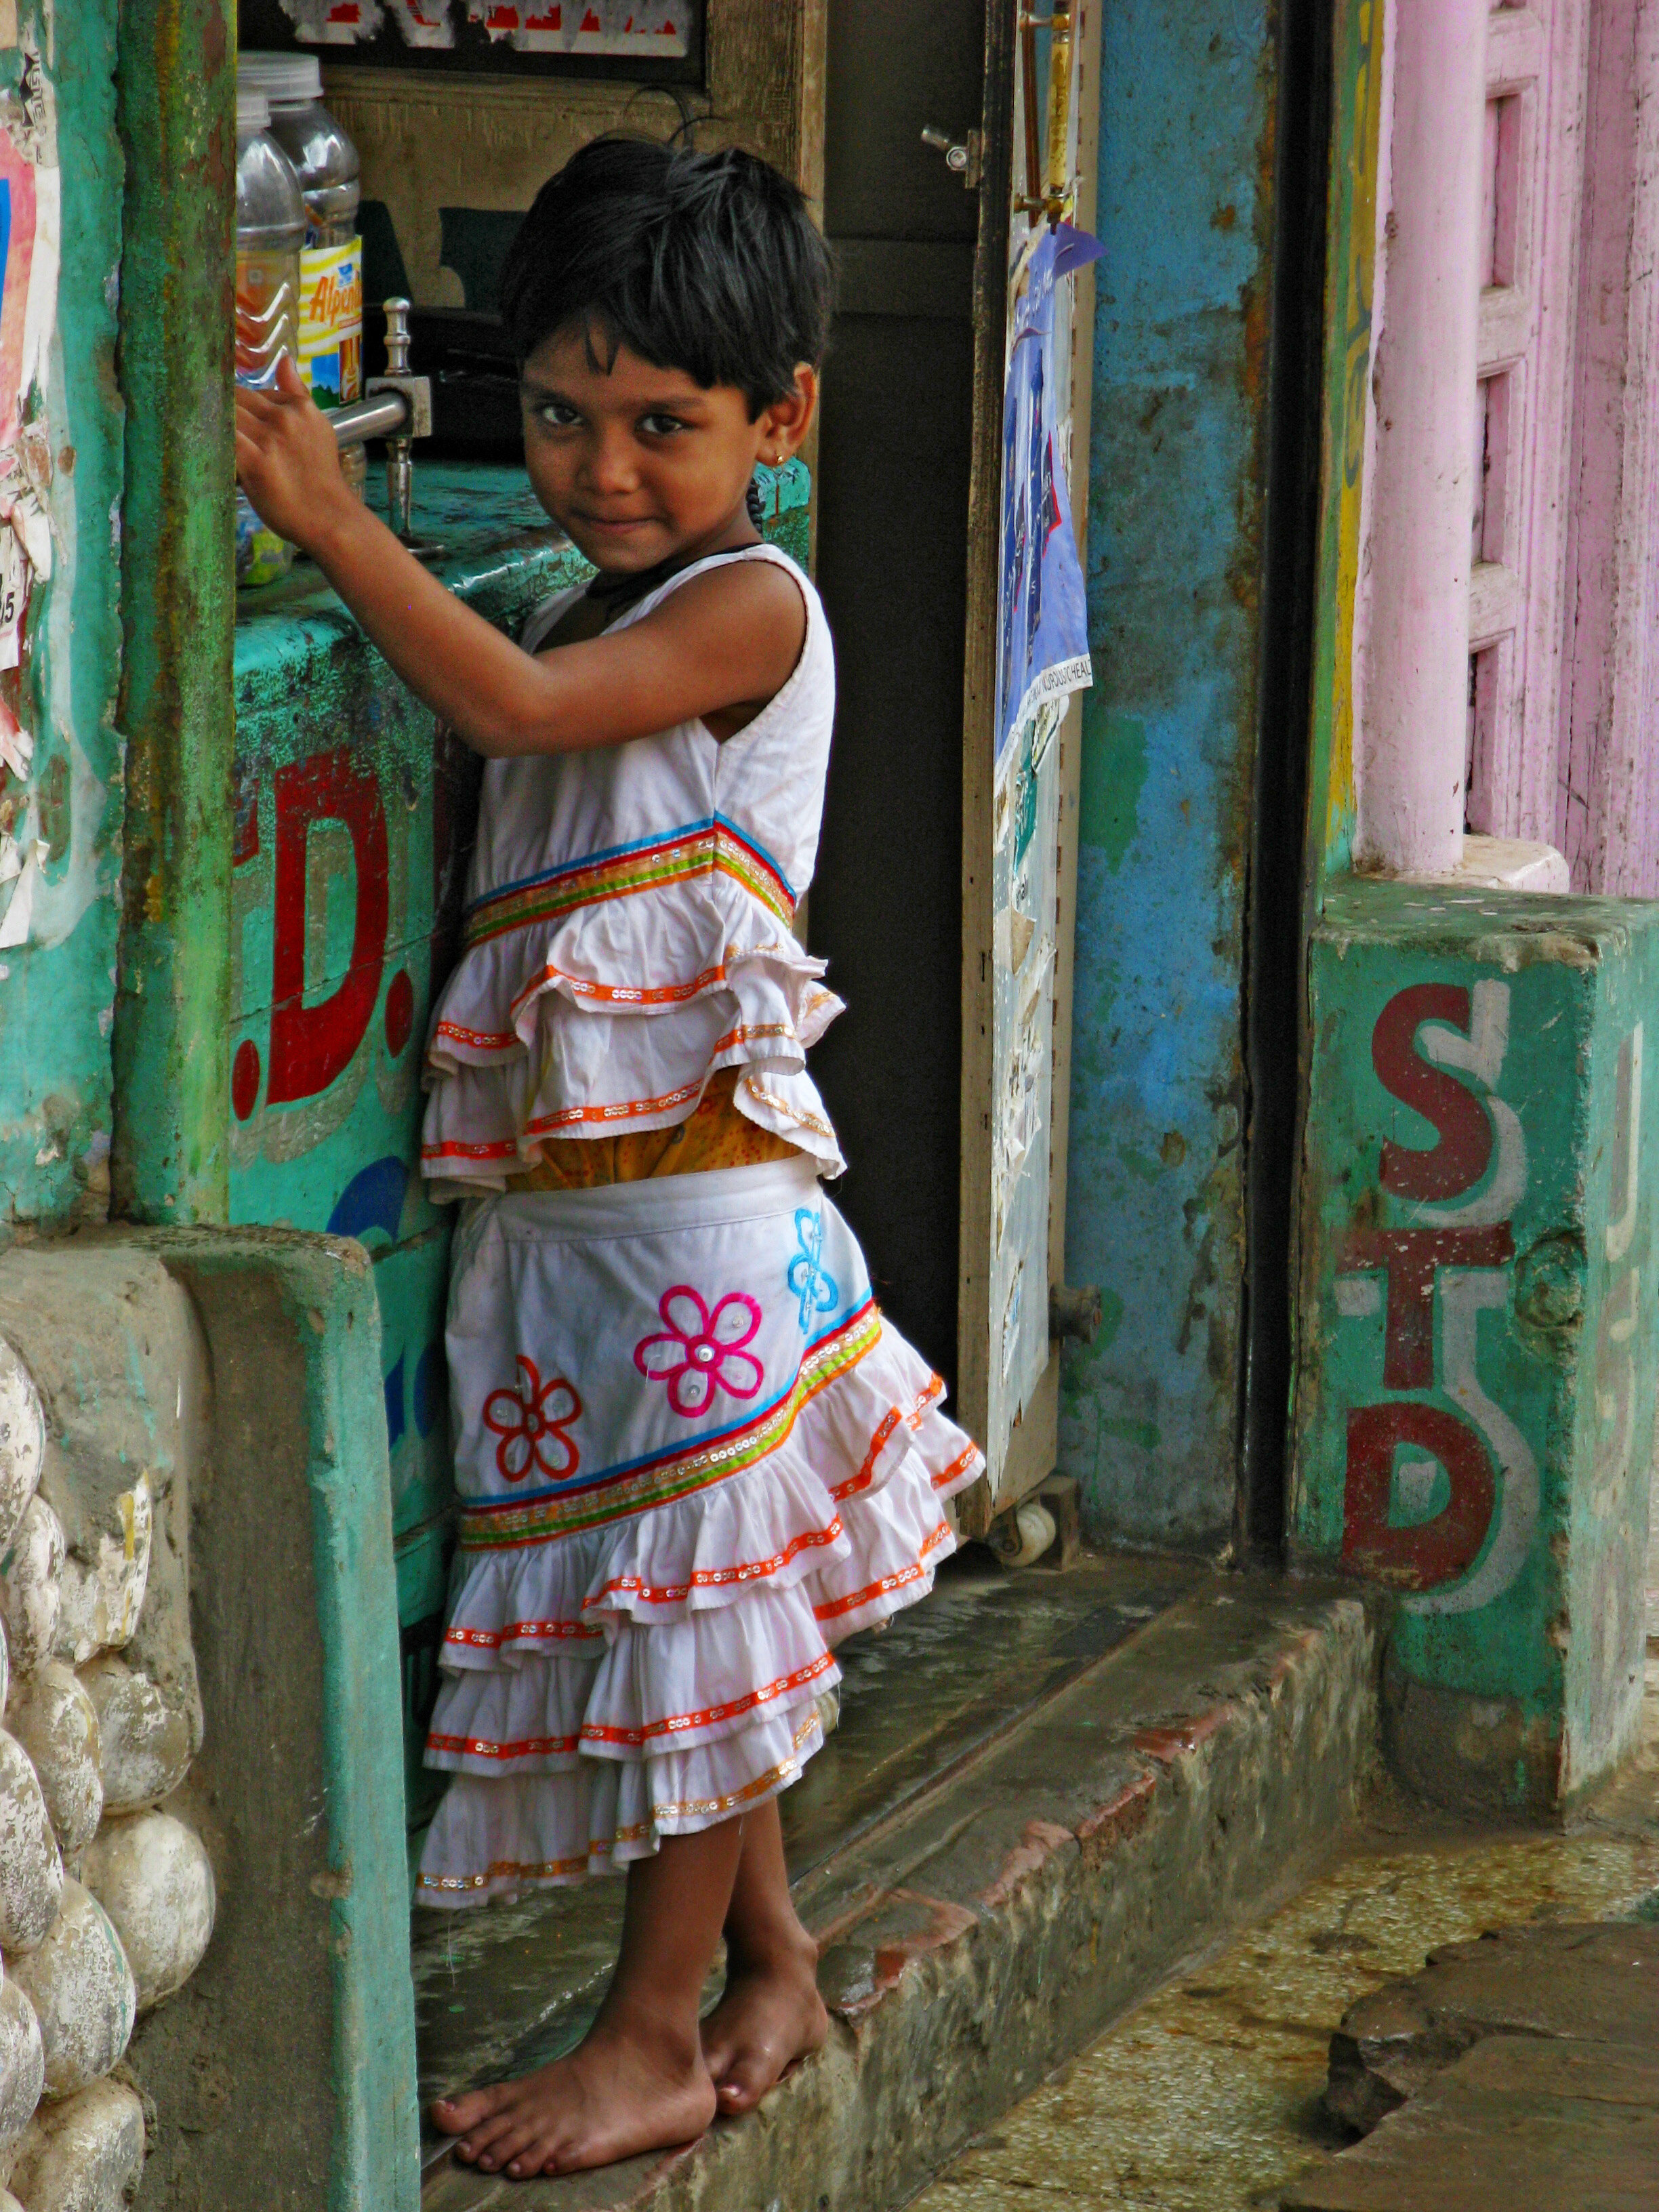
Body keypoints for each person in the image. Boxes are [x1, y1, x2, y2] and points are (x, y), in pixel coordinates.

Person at [234, 134, 984, 2183]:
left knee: (688, 1633)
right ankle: (769, 1967)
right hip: (601, 1247)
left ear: (782, 423)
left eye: (665, 426)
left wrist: (322, 518)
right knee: (694, 1628)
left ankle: (651, 2032)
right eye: (562, 416)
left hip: (694, 1240)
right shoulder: (618, 578)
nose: (602, 468)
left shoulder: (747, 607)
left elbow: (519, 697)